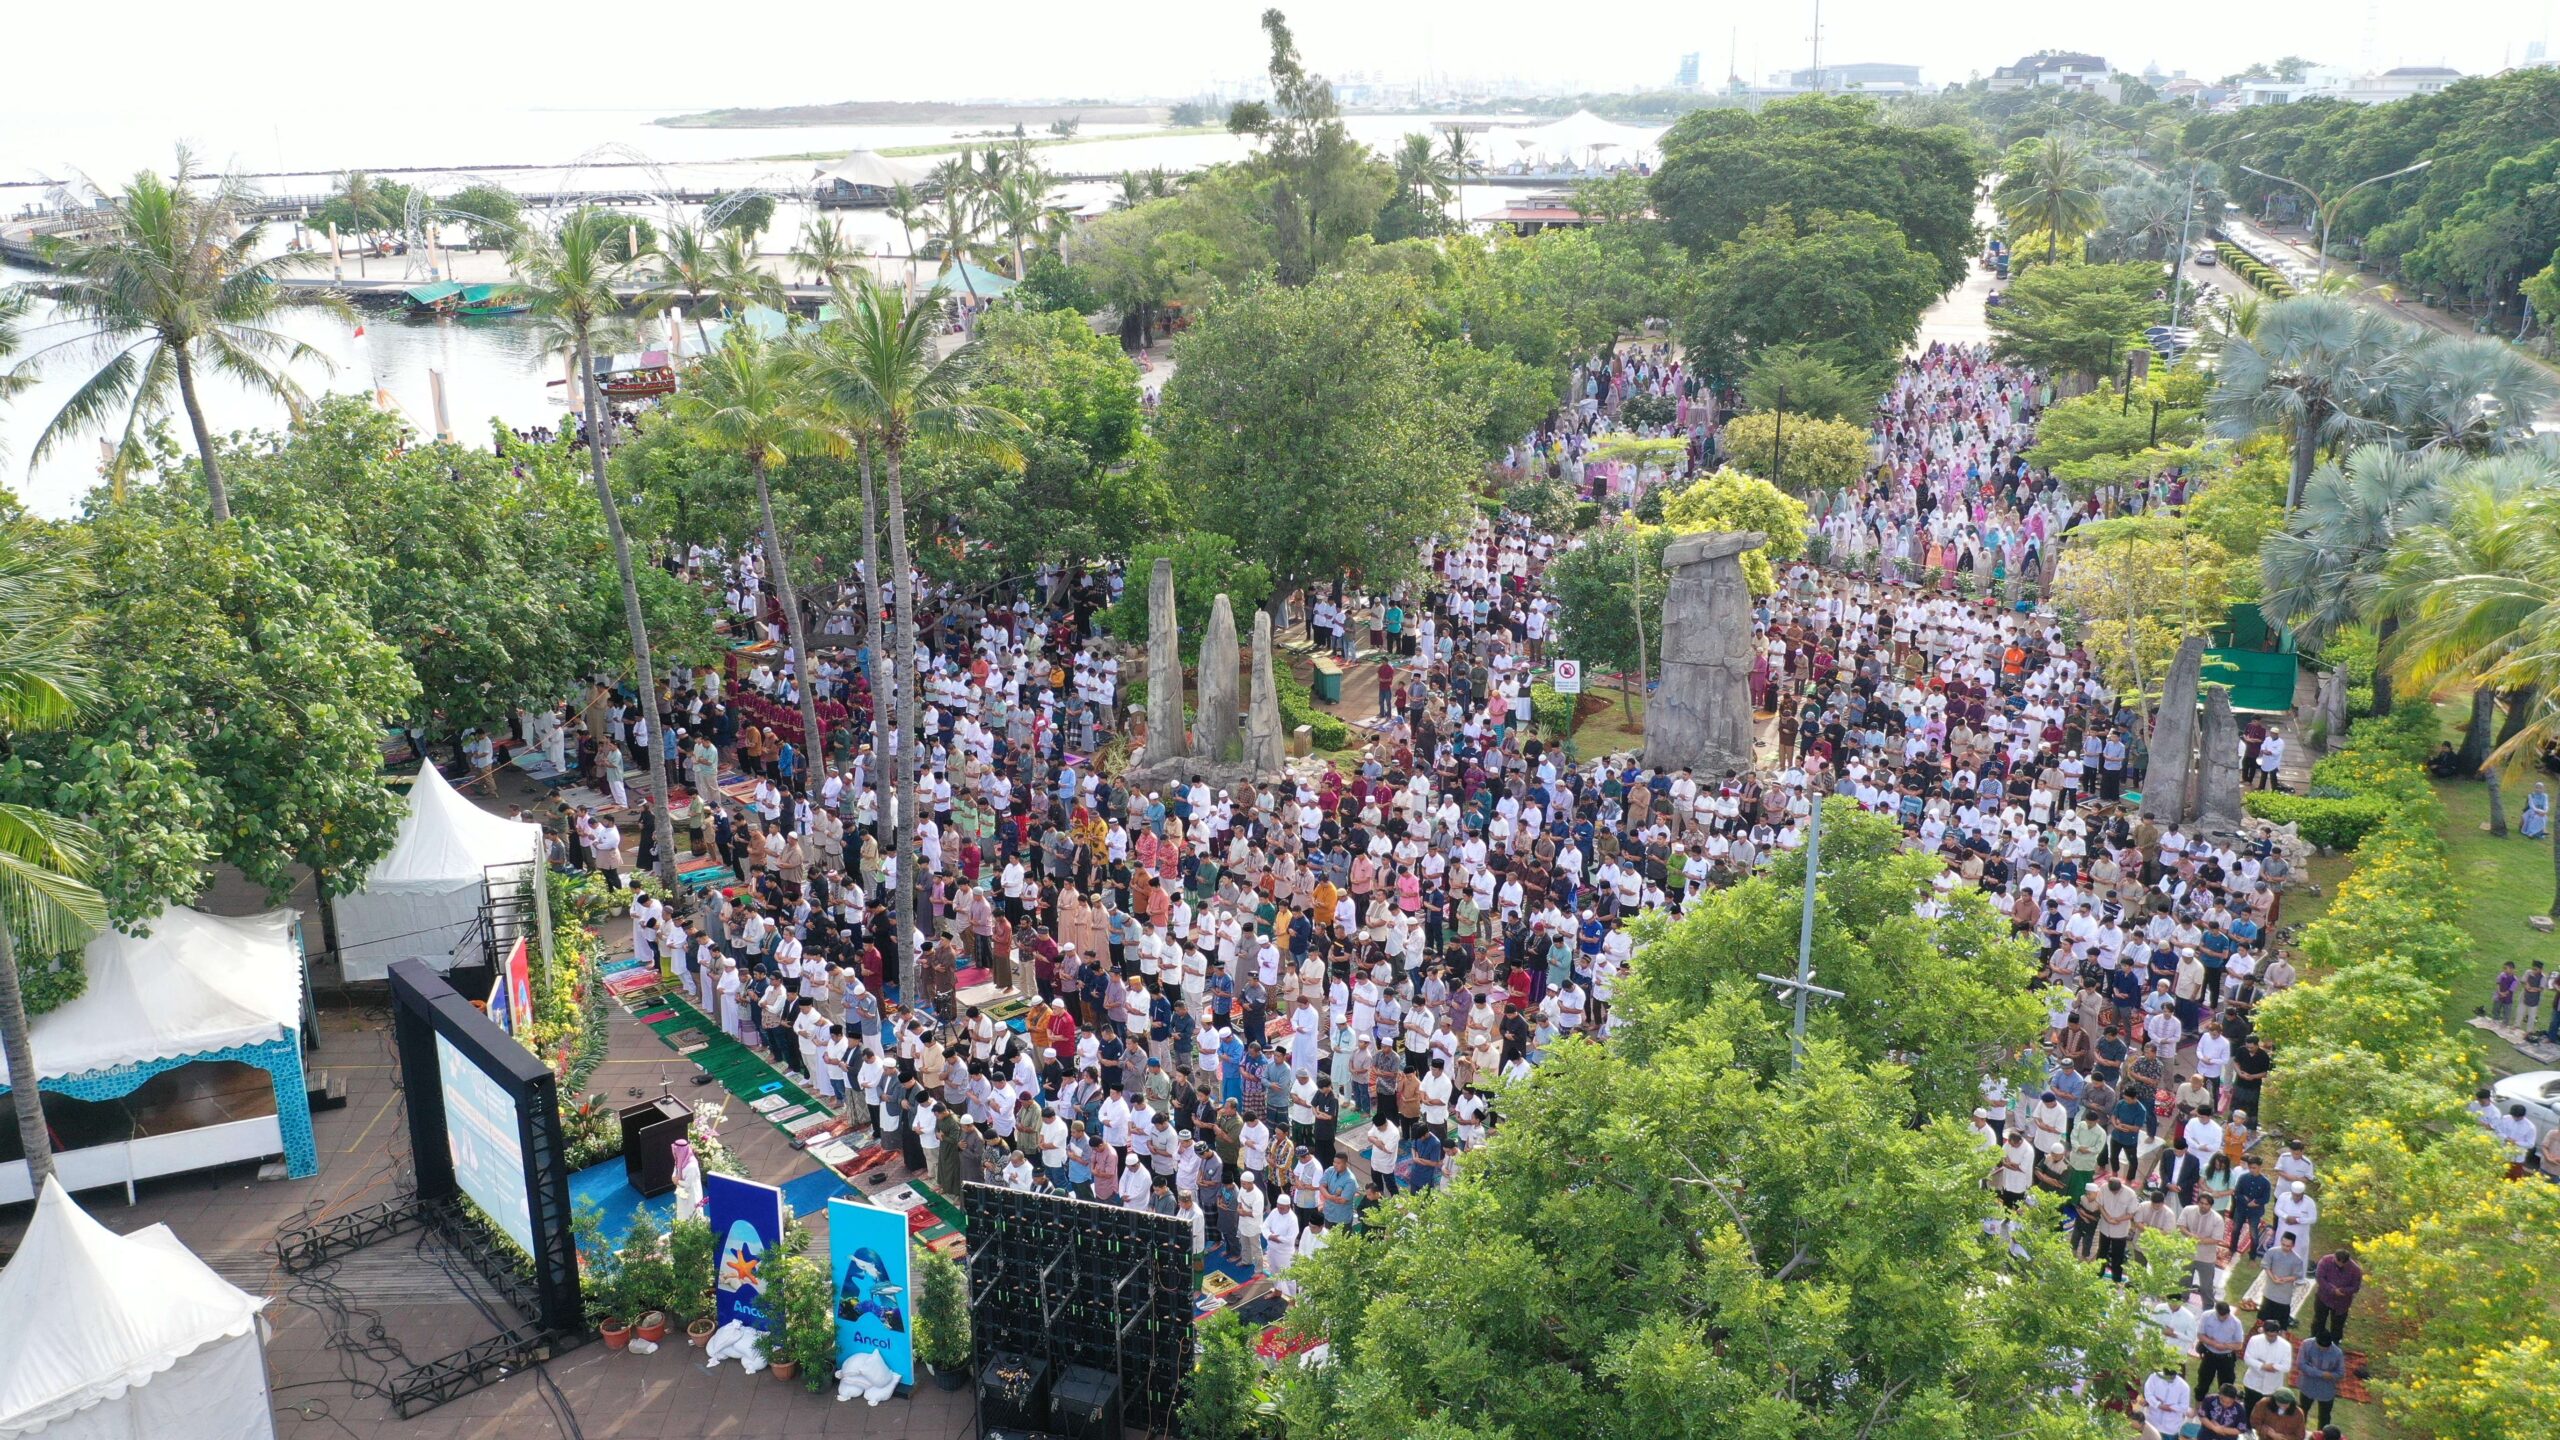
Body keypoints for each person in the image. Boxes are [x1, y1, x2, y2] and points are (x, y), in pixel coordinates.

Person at [2308, 1244, 2362, 1345]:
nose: (2340, 1265)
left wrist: (2344, 1291)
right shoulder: (2325, 1261)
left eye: (2343, 1263)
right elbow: (2320, 1277)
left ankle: (2334, 1343)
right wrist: (2332, 1290)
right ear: (2334, 1257)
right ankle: (2314, 1340)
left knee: (2338, 1325)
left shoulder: (2355, 1270)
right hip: (2323, 1297)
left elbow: (2355, 1287)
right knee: (2319, 1320)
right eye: (2338, 1262)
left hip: (2341, 1303)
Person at [2294, 1332, 2347, 1428]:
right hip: (2307, 1385)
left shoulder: (2337, 1352)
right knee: (2302, 1411)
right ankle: (2299, 1433)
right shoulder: (2307, 1344)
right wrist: (2321, 1374)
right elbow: (2300, 1364)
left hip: (2326, 1389)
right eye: (2320, 1346)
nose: (2323, 1349)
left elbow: (2341, 1373)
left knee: (2324, 1417)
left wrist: (2331, 1375)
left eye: (2326, 1347)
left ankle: (2322, 1436)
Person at [2241, 1317, 2293, 1412]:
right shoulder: (2255, 1340)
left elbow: (2286, 1367)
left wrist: (2273, 1367)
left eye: (2274, 1336)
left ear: (2278, 1333)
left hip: (2272, 1387)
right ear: (2264, 1332)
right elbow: (2247, 1358)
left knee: (2267, 1411)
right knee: (2249, 1409)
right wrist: (2262, 1366)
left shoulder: (2285, 1346)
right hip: (2253, 1384)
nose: (2271, 1338)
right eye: (2268, 1336)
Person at [2194, 1301, 2244, 1396]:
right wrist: (2214, 1344)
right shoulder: (2207, 1316)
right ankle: (2198, 1407)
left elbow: (2239, 1345)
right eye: (2219, 1316)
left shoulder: (2236, 1322)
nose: (2222, 1319)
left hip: (2226, 1357)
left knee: (2226, 1385)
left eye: (2225, 1317)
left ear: (2229, 1313)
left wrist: (2225, 1346)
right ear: (2215, 1311)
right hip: (2209, 1354)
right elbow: (2200, 1335)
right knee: (2203, 1382)